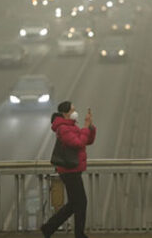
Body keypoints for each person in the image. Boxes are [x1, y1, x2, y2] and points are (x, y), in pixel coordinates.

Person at [41, 101, 96, 238]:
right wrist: (85, 127)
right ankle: (78, 234)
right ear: (65, 113)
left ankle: (48, 228)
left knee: (74, 203)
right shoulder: (63, 128)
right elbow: (78, 143)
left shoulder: (71, 126)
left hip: (74, 169)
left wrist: (90, 127)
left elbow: (87, 140)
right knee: (81, 202)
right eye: (72, 110)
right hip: (69, 170)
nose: (75, 112)